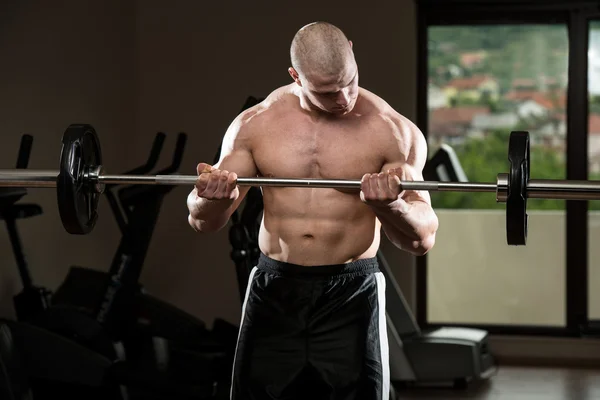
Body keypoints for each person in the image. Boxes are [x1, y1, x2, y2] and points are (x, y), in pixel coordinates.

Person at [187, 21, 439, 400]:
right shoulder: (256, 125)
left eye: (348, 82)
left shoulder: (392, 131)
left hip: (351, 292)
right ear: (295, 76)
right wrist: (211, 196)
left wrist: (392, 205)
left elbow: (422, 238)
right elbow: (201, 220)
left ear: (352, 52)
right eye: (326, 91)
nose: (342, 98)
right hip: (275, 290)